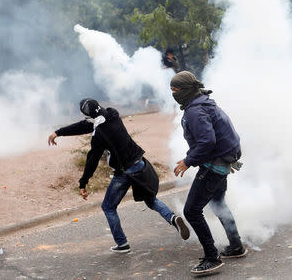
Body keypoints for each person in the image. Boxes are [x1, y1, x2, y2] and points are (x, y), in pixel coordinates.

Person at [48, 98, 190, 253]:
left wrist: (83, 183)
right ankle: (173, 218)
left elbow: (92, 160)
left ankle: (122, 243)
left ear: (89, 117)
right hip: (139, 164)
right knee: (151, 200)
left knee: (108, 207)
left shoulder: (99, 135)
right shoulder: (113, 114)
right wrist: (59, 132)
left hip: (123, 172)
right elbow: (87, 125)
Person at [170, 71, 247, 276]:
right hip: (224, 160)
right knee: (218, 203)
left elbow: (207, 141)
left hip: (215, 163)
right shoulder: (203, 102)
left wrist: (188, 161)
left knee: (191, 211)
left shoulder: (196, 111)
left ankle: (212, 258)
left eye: (175, 90)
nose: (173, 93)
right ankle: (236, 246)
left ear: (185, 90)